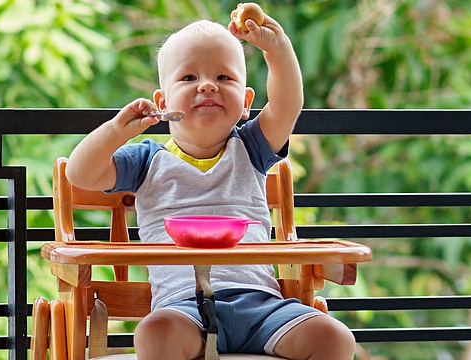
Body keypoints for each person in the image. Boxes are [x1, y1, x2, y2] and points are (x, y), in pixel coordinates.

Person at [64, 10, 356, 360]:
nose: (207, 85)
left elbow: (287, 104)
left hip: (262, 306)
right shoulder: (145, 161)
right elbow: (79, 175)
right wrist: (115, 132)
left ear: (246, 103)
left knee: (334, 337)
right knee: (153, 334)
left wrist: (276, 48)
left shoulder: (252, 148)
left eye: (223, 76)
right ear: (162, 104)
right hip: (183, 309)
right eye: (188, 77)